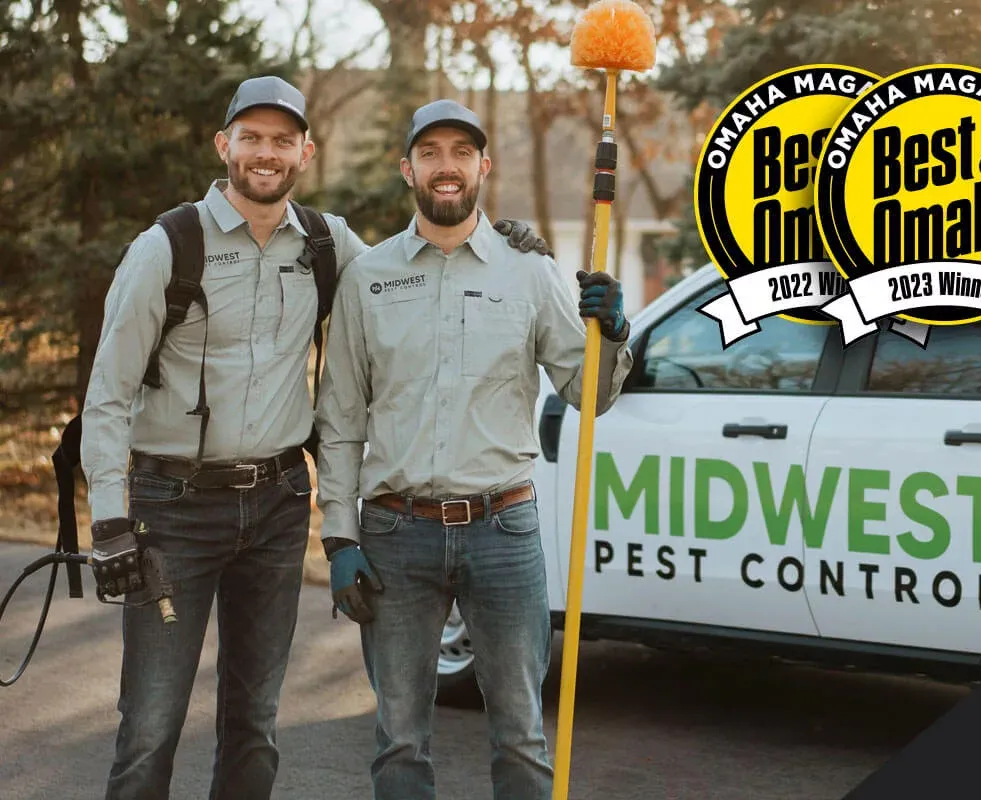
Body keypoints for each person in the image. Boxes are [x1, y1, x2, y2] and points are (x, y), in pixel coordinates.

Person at [80, 77, 548, 800]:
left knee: (255, 724)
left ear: (306, 152)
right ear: (225, 145)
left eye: (282, 140)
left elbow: (419, 266)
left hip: (275, 509)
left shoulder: (329, 245)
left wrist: (505, 240)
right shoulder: (167, 246)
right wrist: (110, 521)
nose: (266, 154)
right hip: (172, 509)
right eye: (251, 138)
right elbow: (107, 395)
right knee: (150, 726)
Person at [313, 98, 634, 800]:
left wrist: (612, 335)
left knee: (521, 737)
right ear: (407, 169)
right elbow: (339, 419)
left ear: (484, 166)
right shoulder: (368, 278)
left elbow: (589, 393)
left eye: (462, 152)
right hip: (395, 534)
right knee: (400, 741)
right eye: (430, 152)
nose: (447, 166)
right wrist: (338, 537)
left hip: (503, 530)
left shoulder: (529, 272)